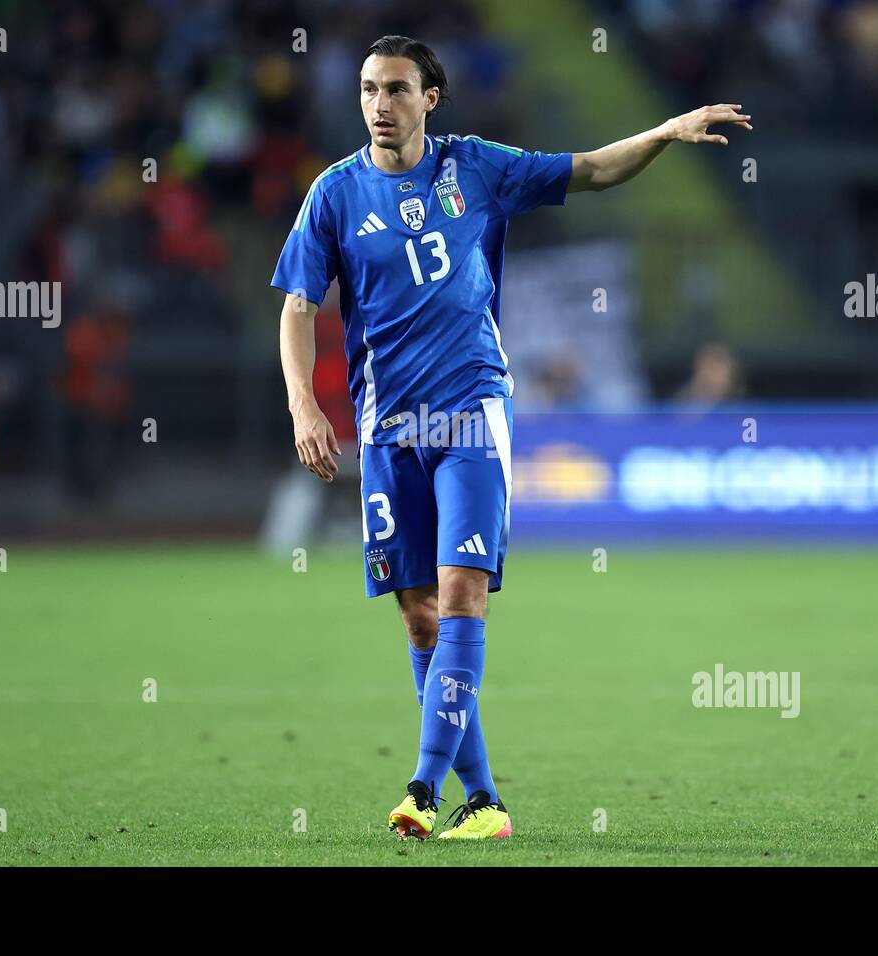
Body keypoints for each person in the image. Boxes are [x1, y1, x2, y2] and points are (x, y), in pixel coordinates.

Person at [271, 34, 751, 840]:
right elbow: (295, 307)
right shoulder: (333, 194)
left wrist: (663, 135)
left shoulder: (477, 168)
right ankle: (486, 802)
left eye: (395, 89)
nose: (379, 105)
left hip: (471, 415)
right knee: (420, 616)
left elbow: (592, 168)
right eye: (367, 89)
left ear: (431, 98)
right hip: (389, 429)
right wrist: (302, 407)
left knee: (461, 596)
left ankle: (422, 788)